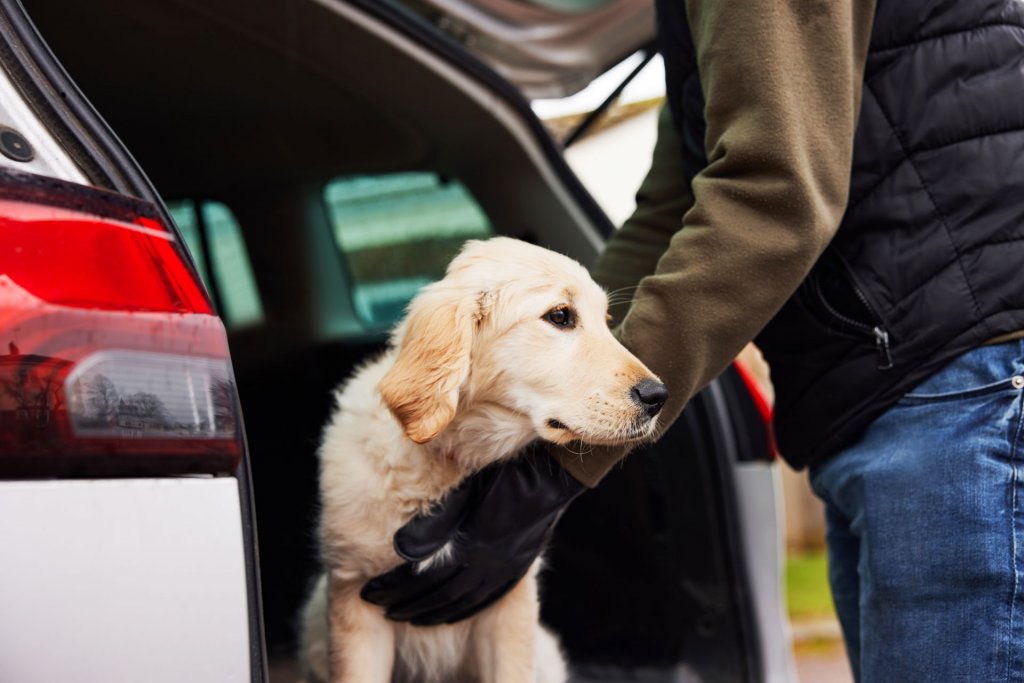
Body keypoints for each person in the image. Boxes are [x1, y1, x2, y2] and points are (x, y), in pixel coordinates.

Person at [362, 1, 1024, 680]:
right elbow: (670, 210)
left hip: (959, 380)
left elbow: (776, 192)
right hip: (896, 386)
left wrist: (552, 471)